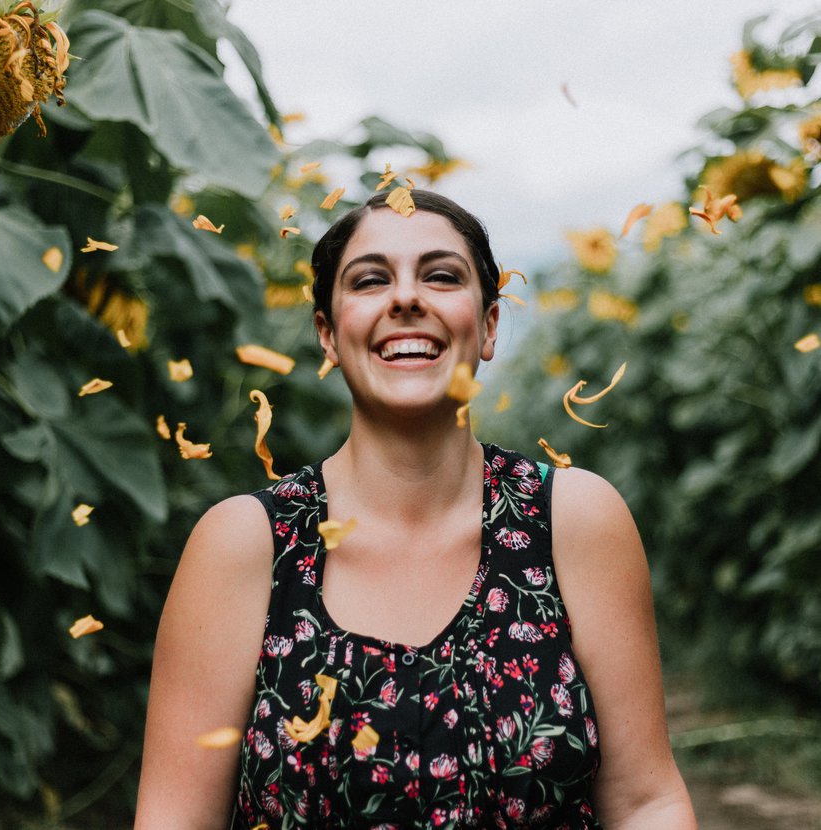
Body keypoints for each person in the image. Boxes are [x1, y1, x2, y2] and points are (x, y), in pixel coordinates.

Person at [135, 190, 697, 829]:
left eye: (441, 276)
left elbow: (647, 802)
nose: (407, 298)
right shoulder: (245, 544)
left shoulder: (574, 519)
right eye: (371, 280)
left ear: (487, 327)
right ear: (328, 334)